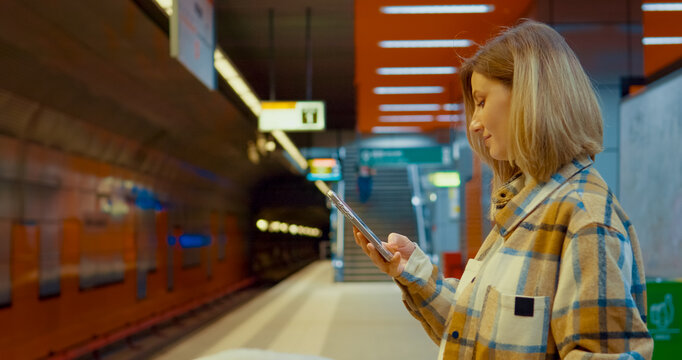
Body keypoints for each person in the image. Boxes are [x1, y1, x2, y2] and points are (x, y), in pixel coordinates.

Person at [353, 19, 653, 359]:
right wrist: (412, 271)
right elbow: (470, 333)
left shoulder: (585, 219)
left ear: (529, 96)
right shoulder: (523, 208)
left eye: (481, 101)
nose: (474, 123)